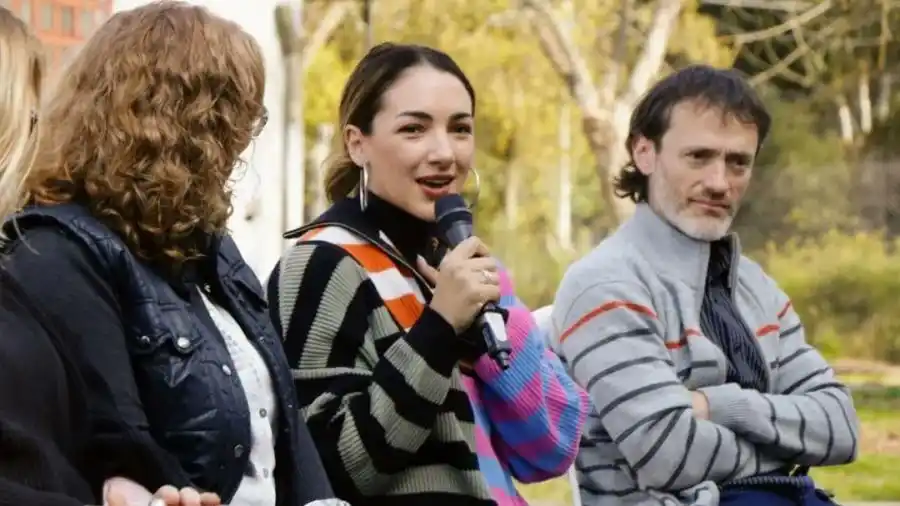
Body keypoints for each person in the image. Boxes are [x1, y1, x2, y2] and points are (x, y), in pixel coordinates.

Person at [1, 3, 343, 506]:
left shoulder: (214, 251)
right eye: (237, 116)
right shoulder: (59, 249)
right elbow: (118, 439)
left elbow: (286, 425)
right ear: (185, 124)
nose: (244, 141)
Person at [266, 42, 589, 506]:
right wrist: (437, 331)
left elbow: (552, 450)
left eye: (460, 129)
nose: (445, 153)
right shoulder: (323, 262)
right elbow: (329, 469)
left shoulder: (465, 266)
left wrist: (486, 335)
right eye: (414, 129)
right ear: (358, 144)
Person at [550, 65, 860, 506]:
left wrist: (719, 406)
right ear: (644, 152)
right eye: (698, 156)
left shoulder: (756, 287)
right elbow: (665, 454)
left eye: (738, 162)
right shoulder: (604, 284)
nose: (719, 183)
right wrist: (786, 447)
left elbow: (841, 427)